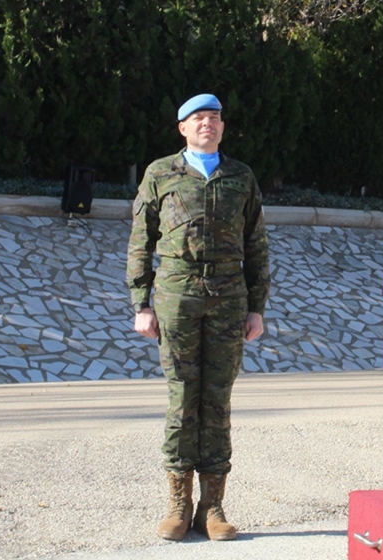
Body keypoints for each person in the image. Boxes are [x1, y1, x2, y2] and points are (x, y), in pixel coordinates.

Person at [125, 93, 270, 542]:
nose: (208, 124)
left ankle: (214, 506)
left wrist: (257, 308)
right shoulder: (160, 174)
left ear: (223, 127)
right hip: (176, 297)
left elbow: (256, 245)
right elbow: (140, 239)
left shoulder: (240, 177)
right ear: (182, 128)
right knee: (182, 399)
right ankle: (177, 503)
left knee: (217, 399)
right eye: (199, 118)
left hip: (228, 299)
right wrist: (141, 304)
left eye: (215, 118)